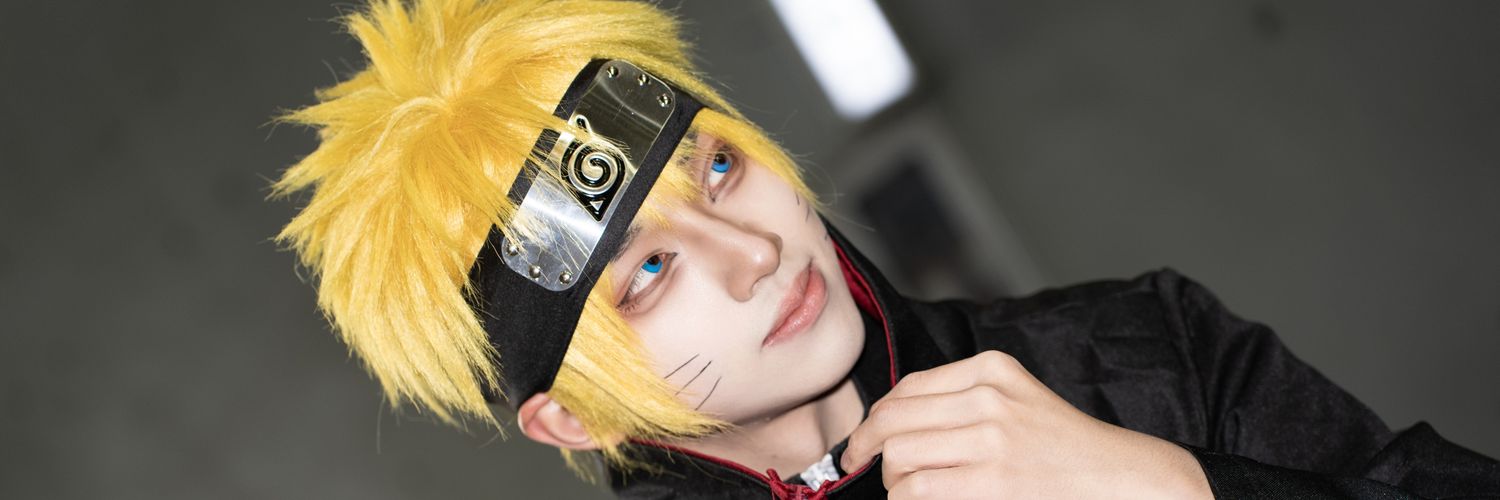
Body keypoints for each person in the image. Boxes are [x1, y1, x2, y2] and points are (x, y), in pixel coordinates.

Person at [272, 0, 1500, 497]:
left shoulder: (1136, 349)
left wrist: (1178, 490)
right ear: (571, 415)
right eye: (645, 270)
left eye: (717, 166)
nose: (751, 250)